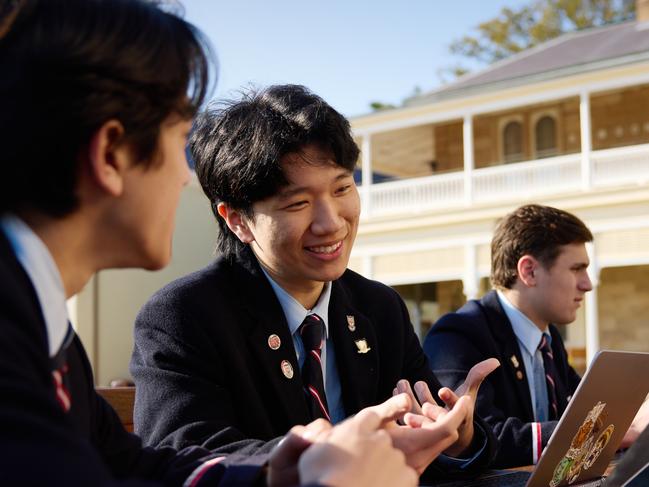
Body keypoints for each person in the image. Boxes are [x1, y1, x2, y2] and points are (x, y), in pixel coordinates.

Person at [0, 1, 420, 485]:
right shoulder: (9, 333)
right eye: (179, 138)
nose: (186, 176)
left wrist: (279, 474)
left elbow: (131, 466)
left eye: (342, 187)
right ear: (110, 154)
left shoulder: (46, 331)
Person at [131, 84, 499, 482]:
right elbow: (186, 454)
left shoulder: (379, 308)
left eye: (342, 188)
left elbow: (427, 437)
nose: (331, 223)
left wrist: (457, 438)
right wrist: (332, 455)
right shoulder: (184, 316)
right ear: (237, 219)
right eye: (298, 203)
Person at [423, 204, 646, 468]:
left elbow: (583, 406)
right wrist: (610, 433)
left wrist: (627, 416)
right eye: (577, 268)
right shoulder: (457, 334)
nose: (587, 284)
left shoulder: (548, 337)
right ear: (529, 271)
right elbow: (480, 436)